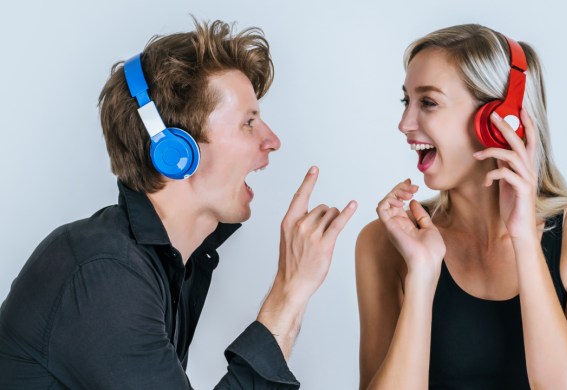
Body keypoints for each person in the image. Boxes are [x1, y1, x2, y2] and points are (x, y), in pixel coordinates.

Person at [0, 19, 356, 389]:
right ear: (175, 153)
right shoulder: (105, 273)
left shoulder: (164, 264)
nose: (273, 141)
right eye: (249, 123)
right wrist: (289, 291)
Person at [356, 24, 567, 389]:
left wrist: (524, 240)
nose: (404, 124)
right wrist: (422, 274)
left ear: (500, 121)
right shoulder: (385, 241)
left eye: (428, 102)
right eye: (407, 101)